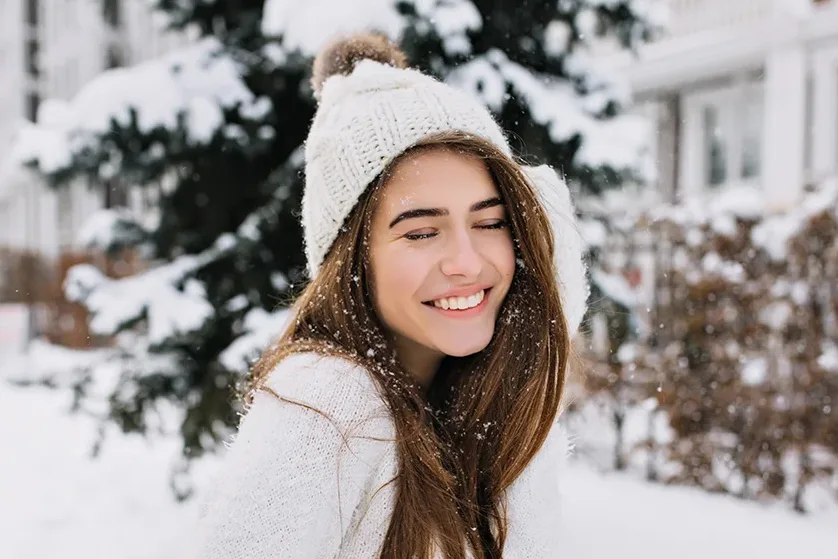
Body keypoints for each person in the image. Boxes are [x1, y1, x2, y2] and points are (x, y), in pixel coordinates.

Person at [190, 32, 588, 559]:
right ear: (353, 261)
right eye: (421, 232)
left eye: (491, 222)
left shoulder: (487, 398)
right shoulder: (327, 402)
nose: (467, 262)